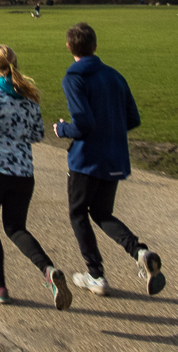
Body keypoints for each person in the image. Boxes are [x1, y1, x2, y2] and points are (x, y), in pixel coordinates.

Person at [53, 22, 165, 296]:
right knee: (102, 213)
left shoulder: (74, 78)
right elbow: (133, 119)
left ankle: (95, 275)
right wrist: (109, 131)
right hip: (114, 157)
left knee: (78, 213)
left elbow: (83, 124)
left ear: (69, 47)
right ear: (95, 46)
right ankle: (140, 252)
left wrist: (62, 129)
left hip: (86, 159)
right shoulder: (114, 76)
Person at [0, 46, 71, 310]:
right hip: (23, 172)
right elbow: (37, 134)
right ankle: (48, 270)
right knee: (16, 227)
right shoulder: (29, 96)